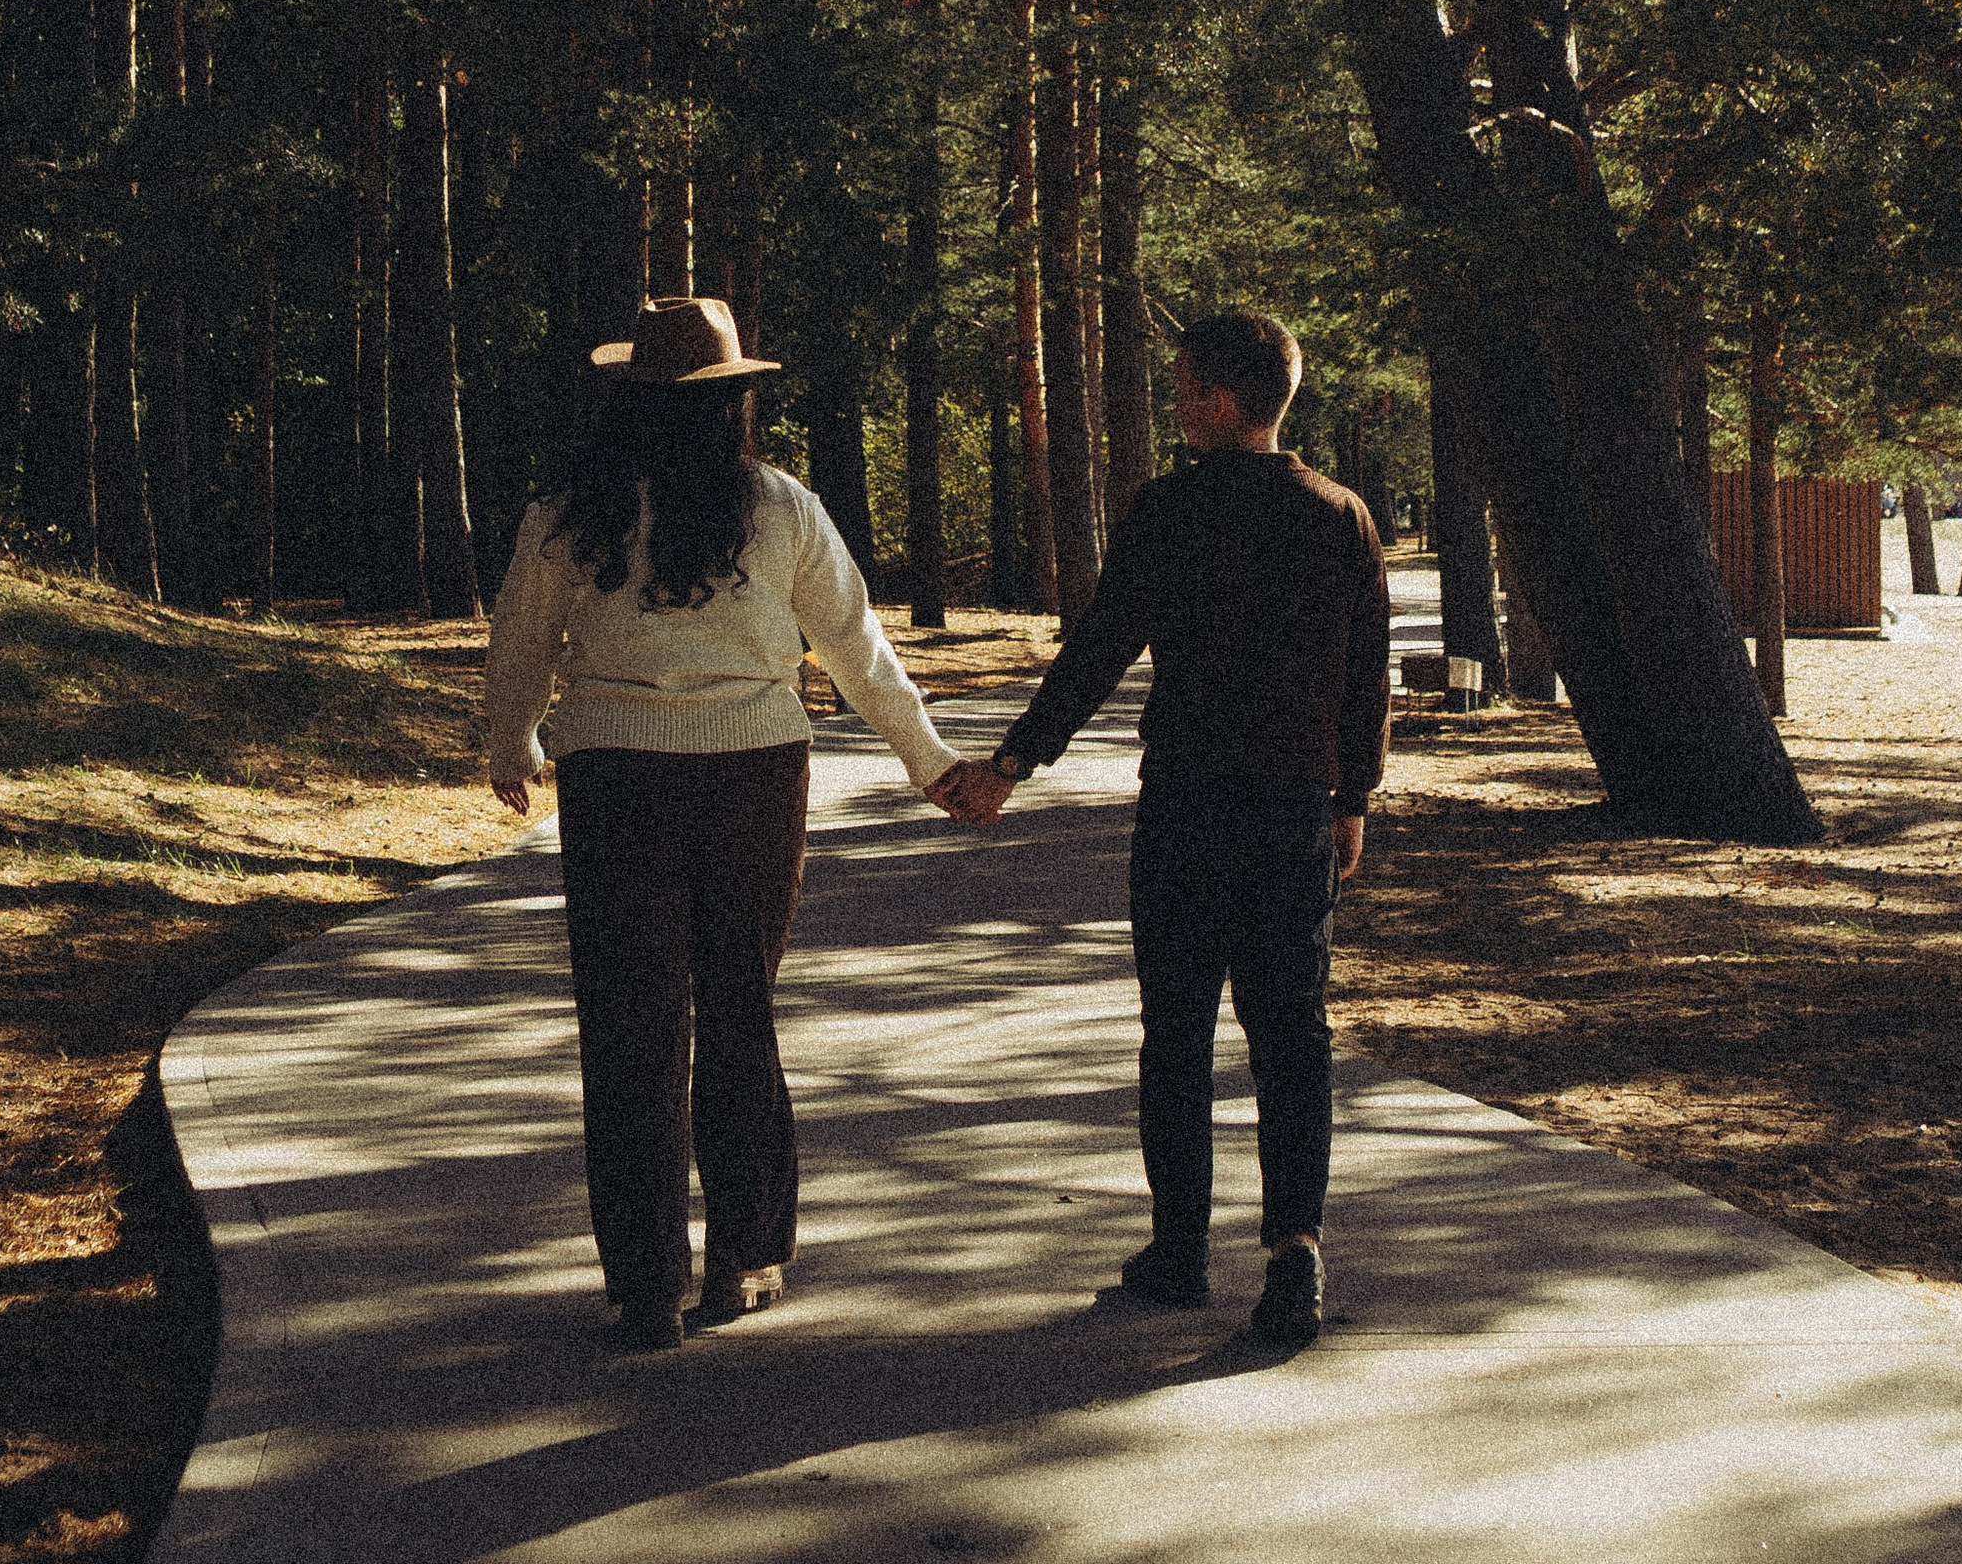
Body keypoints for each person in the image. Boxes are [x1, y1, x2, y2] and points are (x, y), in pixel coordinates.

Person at [484, 294, 963, 1355]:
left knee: (630, 1027)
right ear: (735, 403)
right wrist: (929, 764)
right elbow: (856, 649)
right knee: (738, 1008)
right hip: (752, 775)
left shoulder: (568, 511)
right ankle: (744, 1259)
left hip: (615, 780)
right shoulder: (782, 507)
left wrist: (509, 744)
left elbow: (520, 639)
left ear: (627, 403)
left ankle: (645, 1286)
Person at [935, 309, 1389, 1355]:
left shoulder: (1167, 512)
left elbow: (1098, 650)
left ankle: (1179, 1247)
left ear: (1219, 403)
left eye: (1183, 388)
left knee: (1175, 1030)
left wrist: (1014, 761)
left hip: (1186, 804)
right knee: (1292, 1032)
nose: (1175, 404)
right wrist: (1353, 797)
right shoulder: (1341, 518)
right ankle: (1293, 1255)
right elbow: (1362, 680)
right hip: (1289, 812)